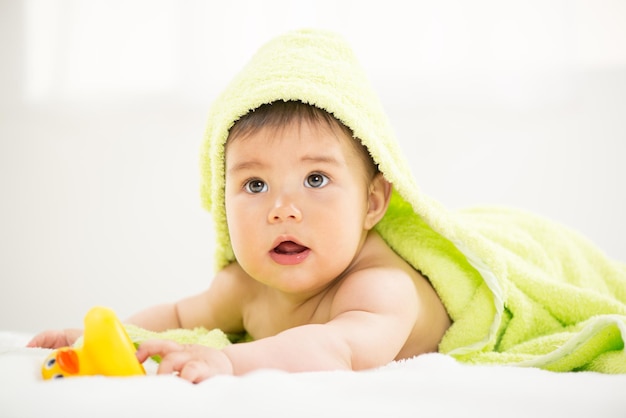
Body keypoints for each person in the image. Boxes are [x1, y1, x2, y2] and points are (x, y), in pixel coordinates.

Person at [28, 88, 451, 381]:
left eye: (316, 179)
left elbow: (334, 349)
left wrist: (229, 361)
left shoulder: (381, 289)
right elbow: (178, 317)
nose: (283, 209)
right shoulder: (245, 286)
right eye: (255, 185)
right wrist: (106, 337)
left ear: (372, 203)